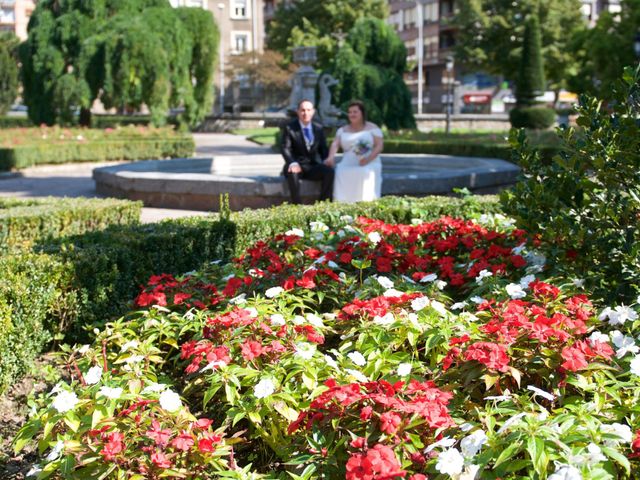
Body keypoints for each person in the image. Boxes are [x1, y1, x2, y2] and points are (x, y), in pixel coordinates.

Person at [326, 100, 384, 203]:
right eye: (350, 112)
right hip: (348, 161)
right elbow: (335, 144)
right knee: (340, 170)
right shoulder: (343, 130)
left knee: (364, 172)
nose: (352, 114)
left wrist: (367, 159)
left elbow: (379, 146)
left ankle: (364, 204)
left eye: (355, 112)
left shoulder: (372, 128)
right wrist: (331, 157)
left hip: (369, 161)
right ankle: (343, 204)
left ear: (362, 113)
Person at [281, 99, 334, 204]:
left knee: (329, 172)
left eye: (308, 110)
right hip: (295, 164)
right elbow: (285, 148)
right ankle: (297, 206)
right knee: (292, 173)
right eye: (303, 110)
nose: (306, 113)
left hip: (311, 166)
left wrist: (326, 160)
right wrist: (292, 162)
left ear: (313, 111)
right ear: (298, 112)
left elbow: (323, 149)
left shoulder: (318, 129)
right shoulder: (289, 128)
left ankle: (322, 204)